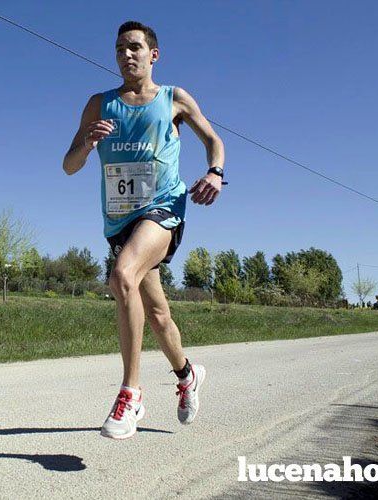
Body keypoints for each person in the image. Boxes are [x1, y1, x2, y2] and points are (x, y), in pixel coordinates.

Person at [62, 21, 226, 440]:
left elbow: (213, 140)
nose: (126, 55)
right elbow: (69, 164)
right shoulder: (99, 104)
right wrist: (87, 142)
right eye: (119, 48)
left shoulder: (174, 98)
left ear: (154, 54)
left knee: (120, 277)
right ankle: (188, 374)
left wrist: (215, 172)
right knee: (156, 313)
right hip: (119, 220)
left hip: (163, 209)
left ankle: (129, 393)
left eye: (134, 47)